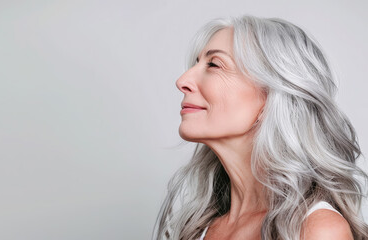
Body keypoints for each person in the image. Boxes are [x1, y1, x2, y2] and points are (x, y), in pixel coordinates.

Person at [152, 15, 368, 240]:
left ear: (270, 97)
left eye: (214, 64)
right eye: (196, 63)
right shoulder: (196, 230)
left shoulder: (316, 230)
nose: (182, 80)